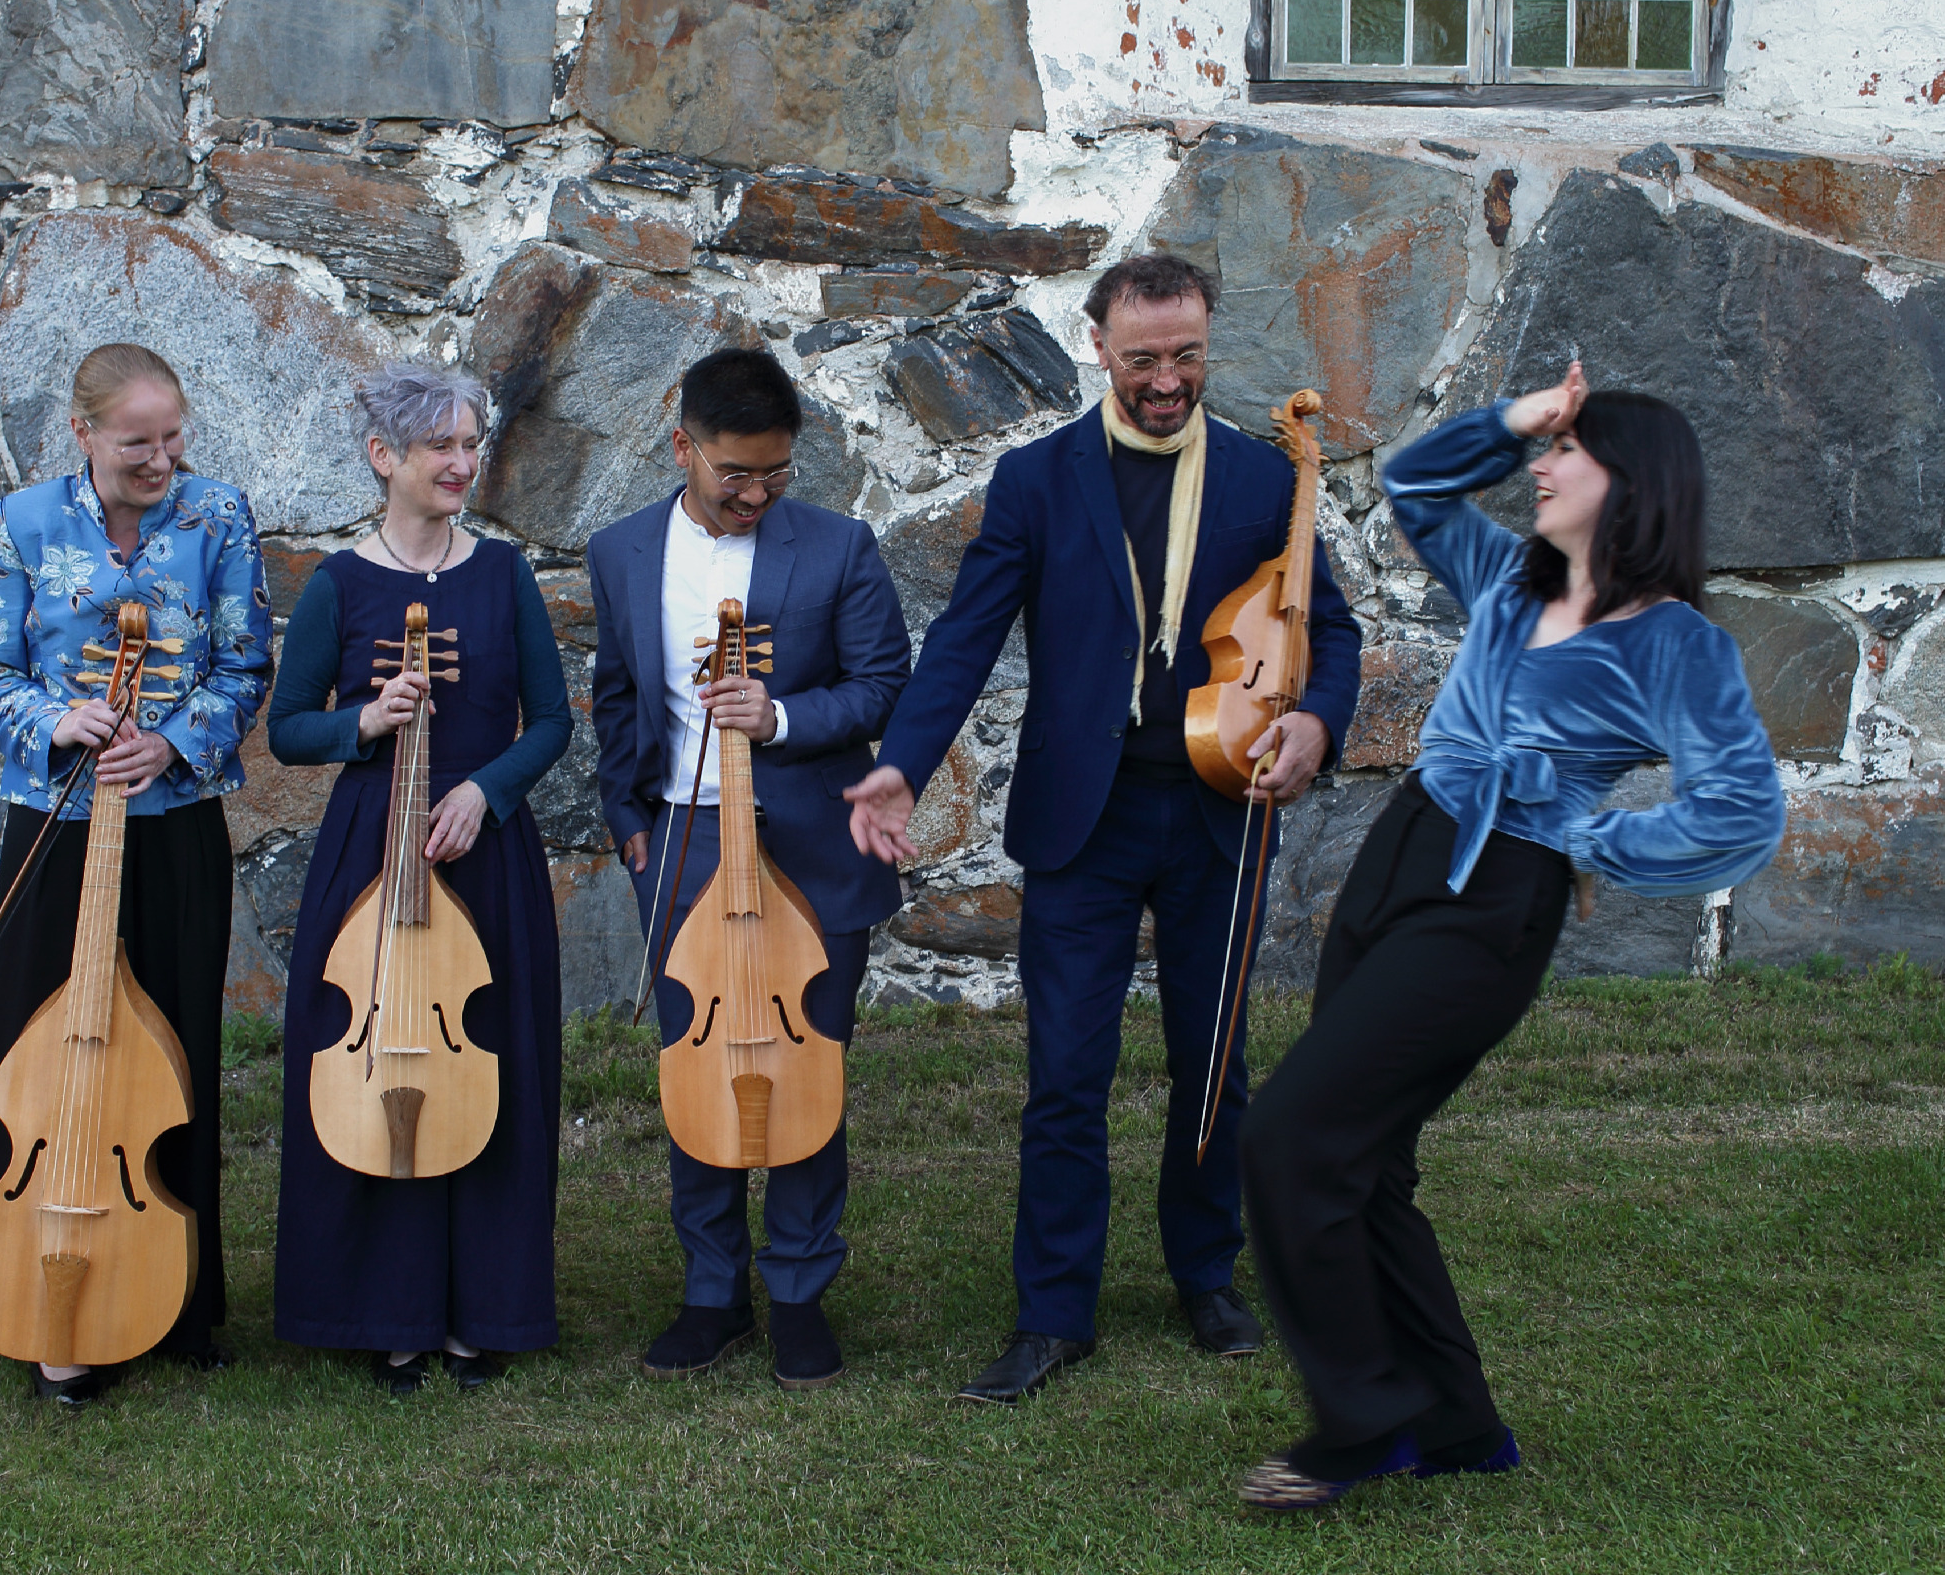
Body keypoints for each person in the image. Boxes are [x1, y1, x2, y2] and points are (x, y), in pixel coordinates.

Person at [1232, 365, 1787, 1509]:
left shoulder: (1674, 644)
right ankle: (1455, 1426)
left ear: (1631, 485)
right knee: (1365, 1164)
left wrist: (1592, 839)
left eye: (1565, 453)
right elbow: (1414, 483)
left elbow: (1738, 807)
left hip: (1495, 897)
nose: (1540, 468)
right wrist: (1518, 417)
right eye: (1545, 449)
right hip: (1399, 856)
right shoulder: (1502, 583)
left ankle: (1362, 1421)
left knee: (1290, 1135)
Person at [846, 253, 1364, 1403]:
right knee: (1064, 1074)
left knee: (1210, 1063)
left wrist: (1319, 727)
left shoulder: (1262, 474)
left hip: (1218, 810)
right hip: (1079, 820)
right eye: (1143, 360)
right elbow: (962, 641)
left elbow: (1327, 629)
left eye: (1186, 355)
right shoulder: (1033, 481)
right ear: (1098, 348)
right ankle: (1051, 1314)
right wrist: (899, 769)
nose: (1167, 379)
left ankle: (1205, 1274)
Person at [587, 347, 910, 1391]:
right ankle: (712, 1291)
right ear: (681, 447)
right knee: (699, 1062)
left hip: (809, 844)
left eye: (777, 473)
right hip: (678, 843)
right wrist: (627, 819)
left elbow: (880, 686)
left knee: (805, 1064)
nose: (757, 494)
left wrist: (777, 716)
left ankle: (801, 1292)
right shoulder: (621, 550)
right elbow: (615, 695)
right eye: (735, 474)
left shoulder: (840, 547)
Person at [0, 342, 272, 1406]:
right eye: (138, 442)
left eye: (172, 437)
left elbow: (244, 664)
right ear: (83, 435)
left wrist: (176, 739)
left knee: (174, 1045)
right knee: (38, 1042)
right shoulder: (22, 522)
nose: (161, 459)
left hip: (174, 817)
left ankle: (177, 1295)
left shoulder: (218, 517)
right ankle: (18, 1263)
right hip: (54, 817)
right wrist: (62, 719)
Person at [267, 365, 571, 1397]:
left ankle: (484, 1308)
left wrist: (487, 790)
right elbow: (287, 728)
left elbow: (554, 721)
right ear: (382, 458)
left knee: (486, 1064)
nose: (460, 462)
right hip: (372, 852)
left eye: (469, 442)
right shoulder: (338, 585)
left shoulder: (503, 576)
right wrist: (364, 721)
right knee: (372, 1065)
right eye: (439, 445)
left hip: (479, 851)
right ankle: (384, 1310)